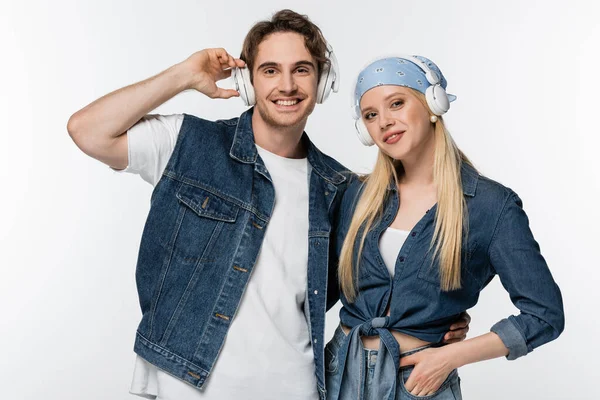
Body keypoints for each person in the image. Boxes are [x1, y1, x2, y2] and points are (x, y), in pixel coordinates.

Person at [67, 10, 469, 400]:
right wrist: (185, 76)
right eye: (270, 70)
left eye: (302, 69)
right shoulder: (188, 144)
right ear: (247, 82)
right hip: (189, 380)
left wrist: (437, 323)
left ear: (323, 81)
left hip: (297, 386)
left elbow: (378, 282)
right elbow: (87, 131)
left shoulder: (341, 188)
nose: (288, 85)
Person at [325, 56, 565, 400]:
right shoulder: (355, 196)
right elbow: (317, 292)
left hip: (419, 383)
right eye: (371, 115)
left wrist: (450, 357)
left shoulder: (491, 206)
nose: (384, 122)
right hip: (339, 375)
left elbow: (545, 315)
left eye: (397, 103)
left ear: (432, 104)